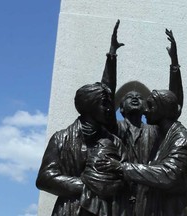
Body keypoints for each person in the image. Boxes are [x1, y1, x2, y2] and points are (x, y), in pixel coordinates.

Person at [96, 29, 187, 216]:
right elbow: (105, 98)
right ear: (121, 108)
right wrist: (111, 56)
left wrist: (175, 65)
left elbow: (174, 104)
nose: (135, 97)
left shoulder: (156, 131)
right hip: (121, 202)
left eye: (140, 97)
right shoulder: (115, 129)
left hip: (151, 202)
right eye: (129, 97)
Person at [36, 21, 129, 216]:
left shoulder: (115, 141)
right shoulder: (61, 138)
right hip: (71, 210)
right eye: (103, 104)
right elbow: (45, 178)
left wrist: (111, 184)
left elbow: (125, 179)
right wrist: (88, 184)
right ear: (89, 105)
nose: (108, 109)